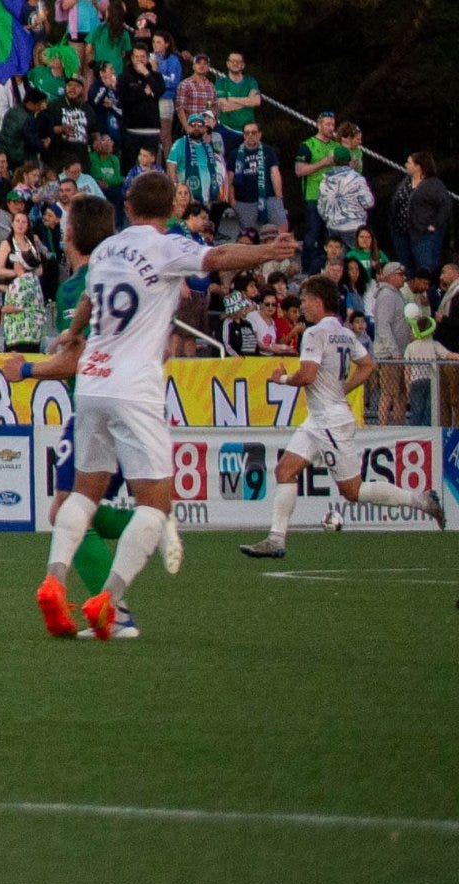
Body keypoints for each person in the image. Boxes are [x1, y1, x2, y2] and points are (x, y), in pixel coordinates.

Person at [24, 169, 296, 641]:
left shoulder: (107, 248)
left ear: (127, 208)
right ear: (171, 209)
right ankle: (108, 602)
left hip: (92, 383)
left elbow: (88, 296)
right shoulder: (169, 246)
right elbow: (220, 254)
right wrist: (267, 252)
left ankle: (54, 579)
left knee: (83, 495)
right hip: (134, 387)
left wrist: (73, 331)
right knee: (155, 505)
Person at [240, 276, 456, 559]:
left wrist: (281, 379)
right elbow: (367, 365)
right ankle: (276, 539)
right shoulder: (344, 333)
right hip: (319, 418)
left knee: (352, 491)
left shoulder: (315, 333)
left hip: (329, 421)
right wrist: (343, 388)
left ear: (318, 302)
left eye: (304, 300)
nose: (302, 305)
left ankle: (422, 500)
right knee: (284, 470)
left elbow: (307, 375)